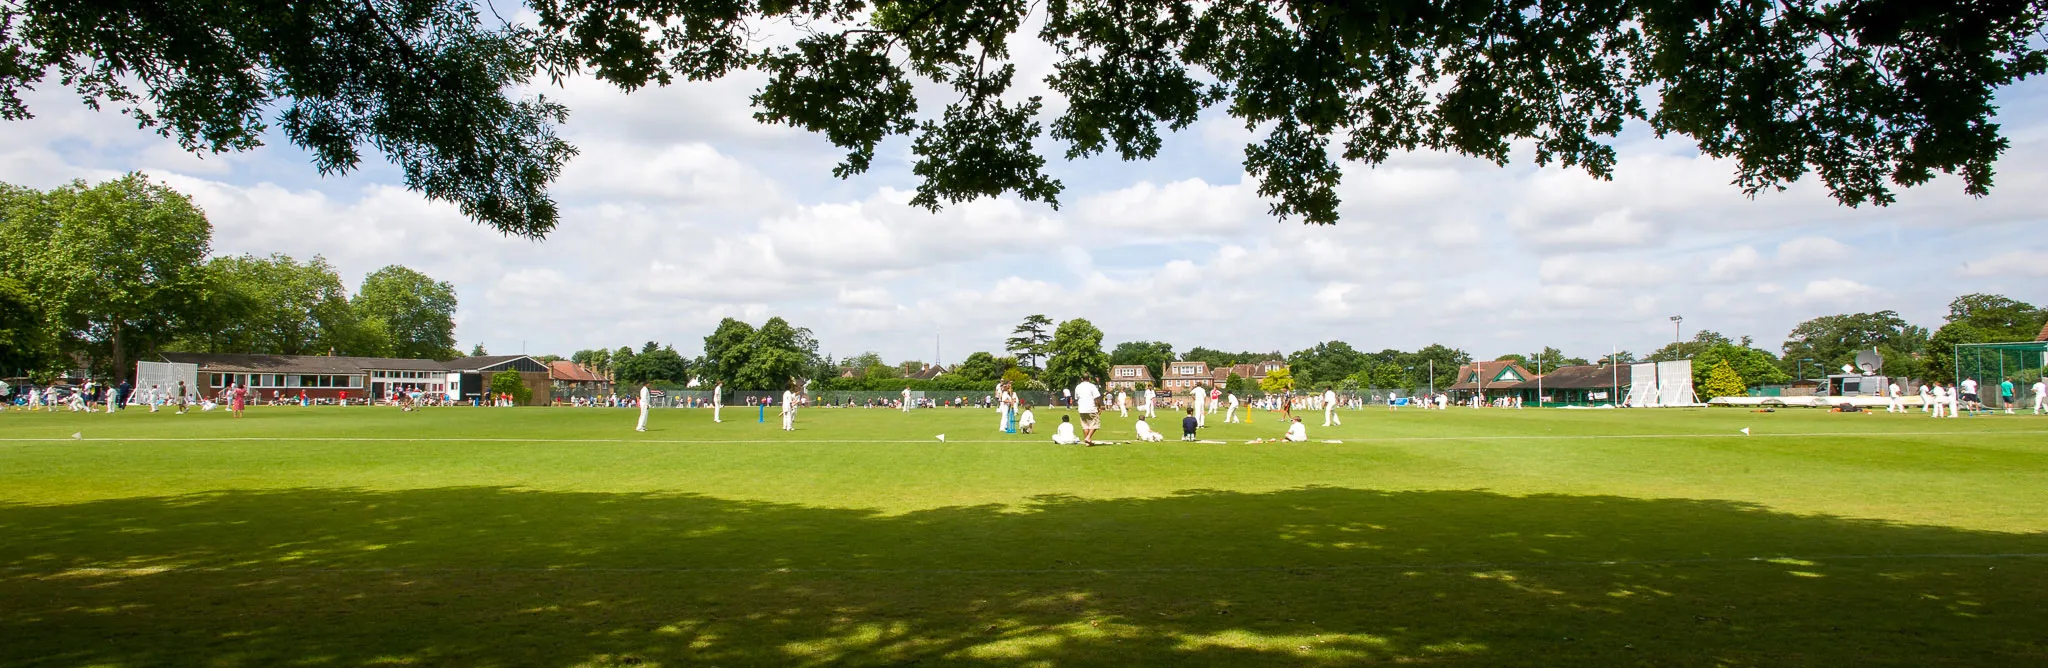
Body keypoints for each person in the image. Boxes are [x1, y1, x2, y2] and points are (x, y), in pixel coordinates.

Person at [1074, 374, 1103, 445]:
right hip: (1091, 408)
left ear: (1081, 379)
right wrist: (1099, 407)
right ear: (1089, 379)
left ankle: (1087, 442)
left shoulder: (1078, 387)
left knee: (1085, 426)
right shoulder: (1092, 386)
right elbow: (1096, 398)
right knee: (1095, 424)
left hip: (1081, 409)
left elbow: (1076, 398)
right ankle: (1088, 437)